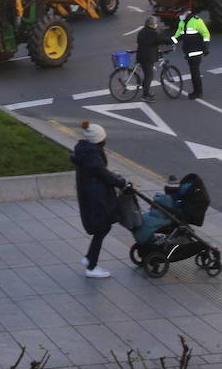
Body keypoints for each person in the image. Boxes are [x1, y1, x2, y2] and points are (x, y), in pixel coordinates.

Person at [71, 122, 125, 279]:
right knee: (102, 228)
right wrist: (120, 182)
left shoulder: (86, 152)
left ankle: (89, 258)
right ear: (99, 140)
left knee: (103, 228)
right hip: (96, 197)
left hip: (90, 194)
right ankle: (91, 266)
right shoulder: (93, 157)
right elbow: (104, 175)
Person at [173, 8, 211, 99]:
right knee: (194, 72)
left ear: (187, 13)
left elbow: (205, 33)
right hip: (189, 52)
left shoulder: (196, 21)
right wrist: (167, 41)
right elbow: (177, 36)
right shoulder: (182, 23)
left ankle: (198, 92)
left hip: (196, 51)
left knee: (195, 72)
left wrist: (206, 46)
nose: (180, 16)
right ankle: (197, 91)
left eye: (181, 14)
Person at [135, 16, 165, 102]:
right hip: (148, 58)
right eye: (155, 23)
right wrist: (172, 40)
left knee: (147, 74)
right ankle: (145, 95)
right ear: (151, 24)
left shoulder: (141, 32)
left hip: (141, 56)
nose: (156, 24)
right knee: (149, 76)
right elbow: (160, 40)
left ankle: (146, 91)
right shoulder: (153, 33)